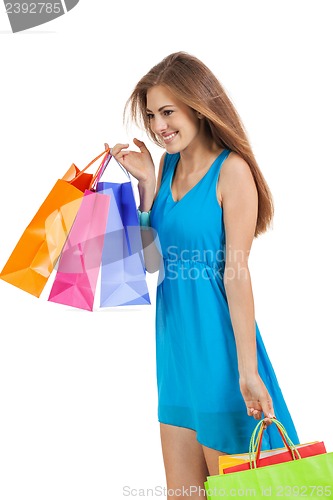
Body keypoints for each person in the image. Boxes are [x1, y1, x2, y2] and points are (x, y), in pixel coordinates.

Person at [106, 51, 299, 498]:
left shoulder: (232, 172)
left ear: (199, 105)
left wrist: (247, 371)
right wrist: (148, 190)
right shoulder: (167, 165)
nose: (158, 127)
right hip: (175, 354)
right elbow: (153, 266)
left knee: (239, 492)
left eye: (168, 112)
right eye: (152, 115)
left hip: (220, 353)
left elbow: (236, 273)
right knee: (184, 494)